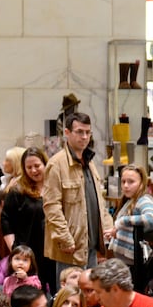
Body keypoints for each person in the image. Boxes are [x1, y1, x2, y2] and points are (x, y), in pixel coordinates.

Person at [44, 113, 113, 277]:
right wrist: (65, 238)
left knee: (89, 297)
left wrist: (108, 229)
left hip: (91, 245)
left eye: (88, 132)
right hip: (71, 247)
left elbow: (99, 202)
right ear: (67, 133)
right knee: (70, 296)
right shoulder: (56, 164)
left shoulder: (89, 162)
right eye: (79, 132)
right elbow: (51, 206)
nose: (84, 137)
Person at [1, 147, 55, 294]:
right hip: (29, 251)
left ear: (45, 164)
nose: (33, 171)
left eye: (37, 166)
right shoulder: (17, 190)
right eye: (29, 167)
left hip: (53, 250)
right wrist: (14, 246)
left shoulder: (55, 186)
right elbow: (6, 219)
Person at [107, 164, 153, 265]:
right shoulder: (129, 201)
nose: (126, 186)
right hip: (124, 261)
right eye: (123, 182)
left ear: (142, 183)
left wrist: (122, 221)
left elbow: (150, 218)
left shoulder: (143, 200)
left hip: (135, 264)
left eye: (131, 182)